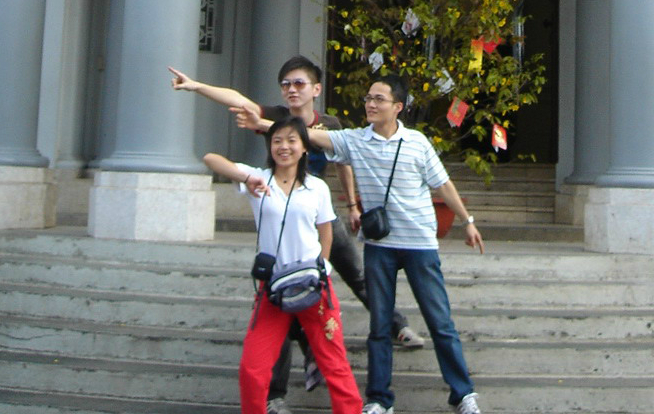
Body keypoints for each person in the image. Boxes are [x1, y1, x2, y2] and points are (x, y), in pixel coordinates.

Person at [169, 57, 423, 412]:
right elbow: (235, 102)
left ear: (316, 89)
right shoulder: (271, 140)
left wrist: (352, 205)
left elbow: (343, 165)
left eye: (299, 83)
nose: (291, 90)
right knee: (276, 332)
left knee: (356, 275)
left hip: (317, 212)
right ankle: (277, 393)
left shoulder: (328, 128)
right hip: (279, 242)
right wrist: (196, 86)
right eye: (286, 84)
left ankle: (396, 325)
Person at [298, 72, 485, 414]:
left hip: (420, 244)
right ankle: (379, 399)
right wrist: (266, 123)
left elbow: (443, 185)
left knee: (440, 323)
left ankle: (463, 394)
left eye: (378, 99)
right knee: (380, 326)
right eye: (368, 98)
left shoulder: (417, 142)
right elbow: (309, 135)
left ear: (398, 107)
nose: (370, 104)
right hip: (379, 246)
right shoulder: (356, 140)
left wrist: (467, 221)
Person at [203, 115, 361, 414]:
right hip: (273, 288)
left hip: (314, 286)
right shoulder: (259, 179)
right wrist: (247, 179)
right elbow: (211, 158)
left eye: (291, 140)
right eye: (277, 141)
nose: (284, 147)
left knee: (334, 364)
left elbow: (326, 230)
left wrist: (323, 267)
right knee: (253, 367)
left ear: (305, 148)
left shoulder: (316, 188)